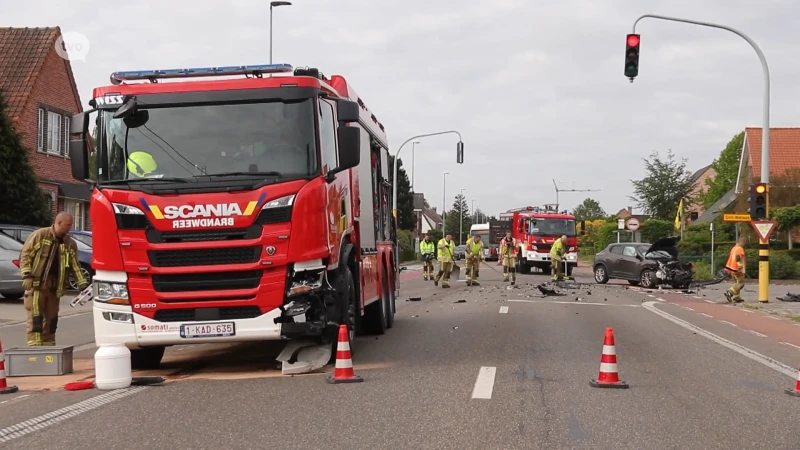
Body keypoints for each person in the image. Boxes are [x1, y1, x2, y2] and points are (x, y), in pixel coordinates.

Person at [19, 212, 89, 346]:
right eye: (67, 225)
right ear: (58, 223)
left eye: (70, 225)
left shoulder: (69, 243)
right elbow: (25, 255)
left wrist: (82, 284)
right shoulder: (40, 235)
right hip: (37, 285)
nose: (69, 228)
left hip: (55, 287)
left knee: (52, 321)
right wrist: (27, 275)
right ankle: (35, 349)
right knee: (36, 319)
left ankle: (49, 349)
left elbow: (75, 265)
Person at [724, 236, 746, 303]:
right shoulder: (739, 248)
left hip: (732, 268)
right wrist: (740, 267)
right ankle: (730, 292)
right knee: (741, 283)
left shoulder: (734, 248)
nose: (744, 244)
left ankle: (737, 297)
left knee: (735, 282)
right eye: (744, 242)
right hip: (737, 269)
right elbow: (738, 258)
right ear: (741, 242)